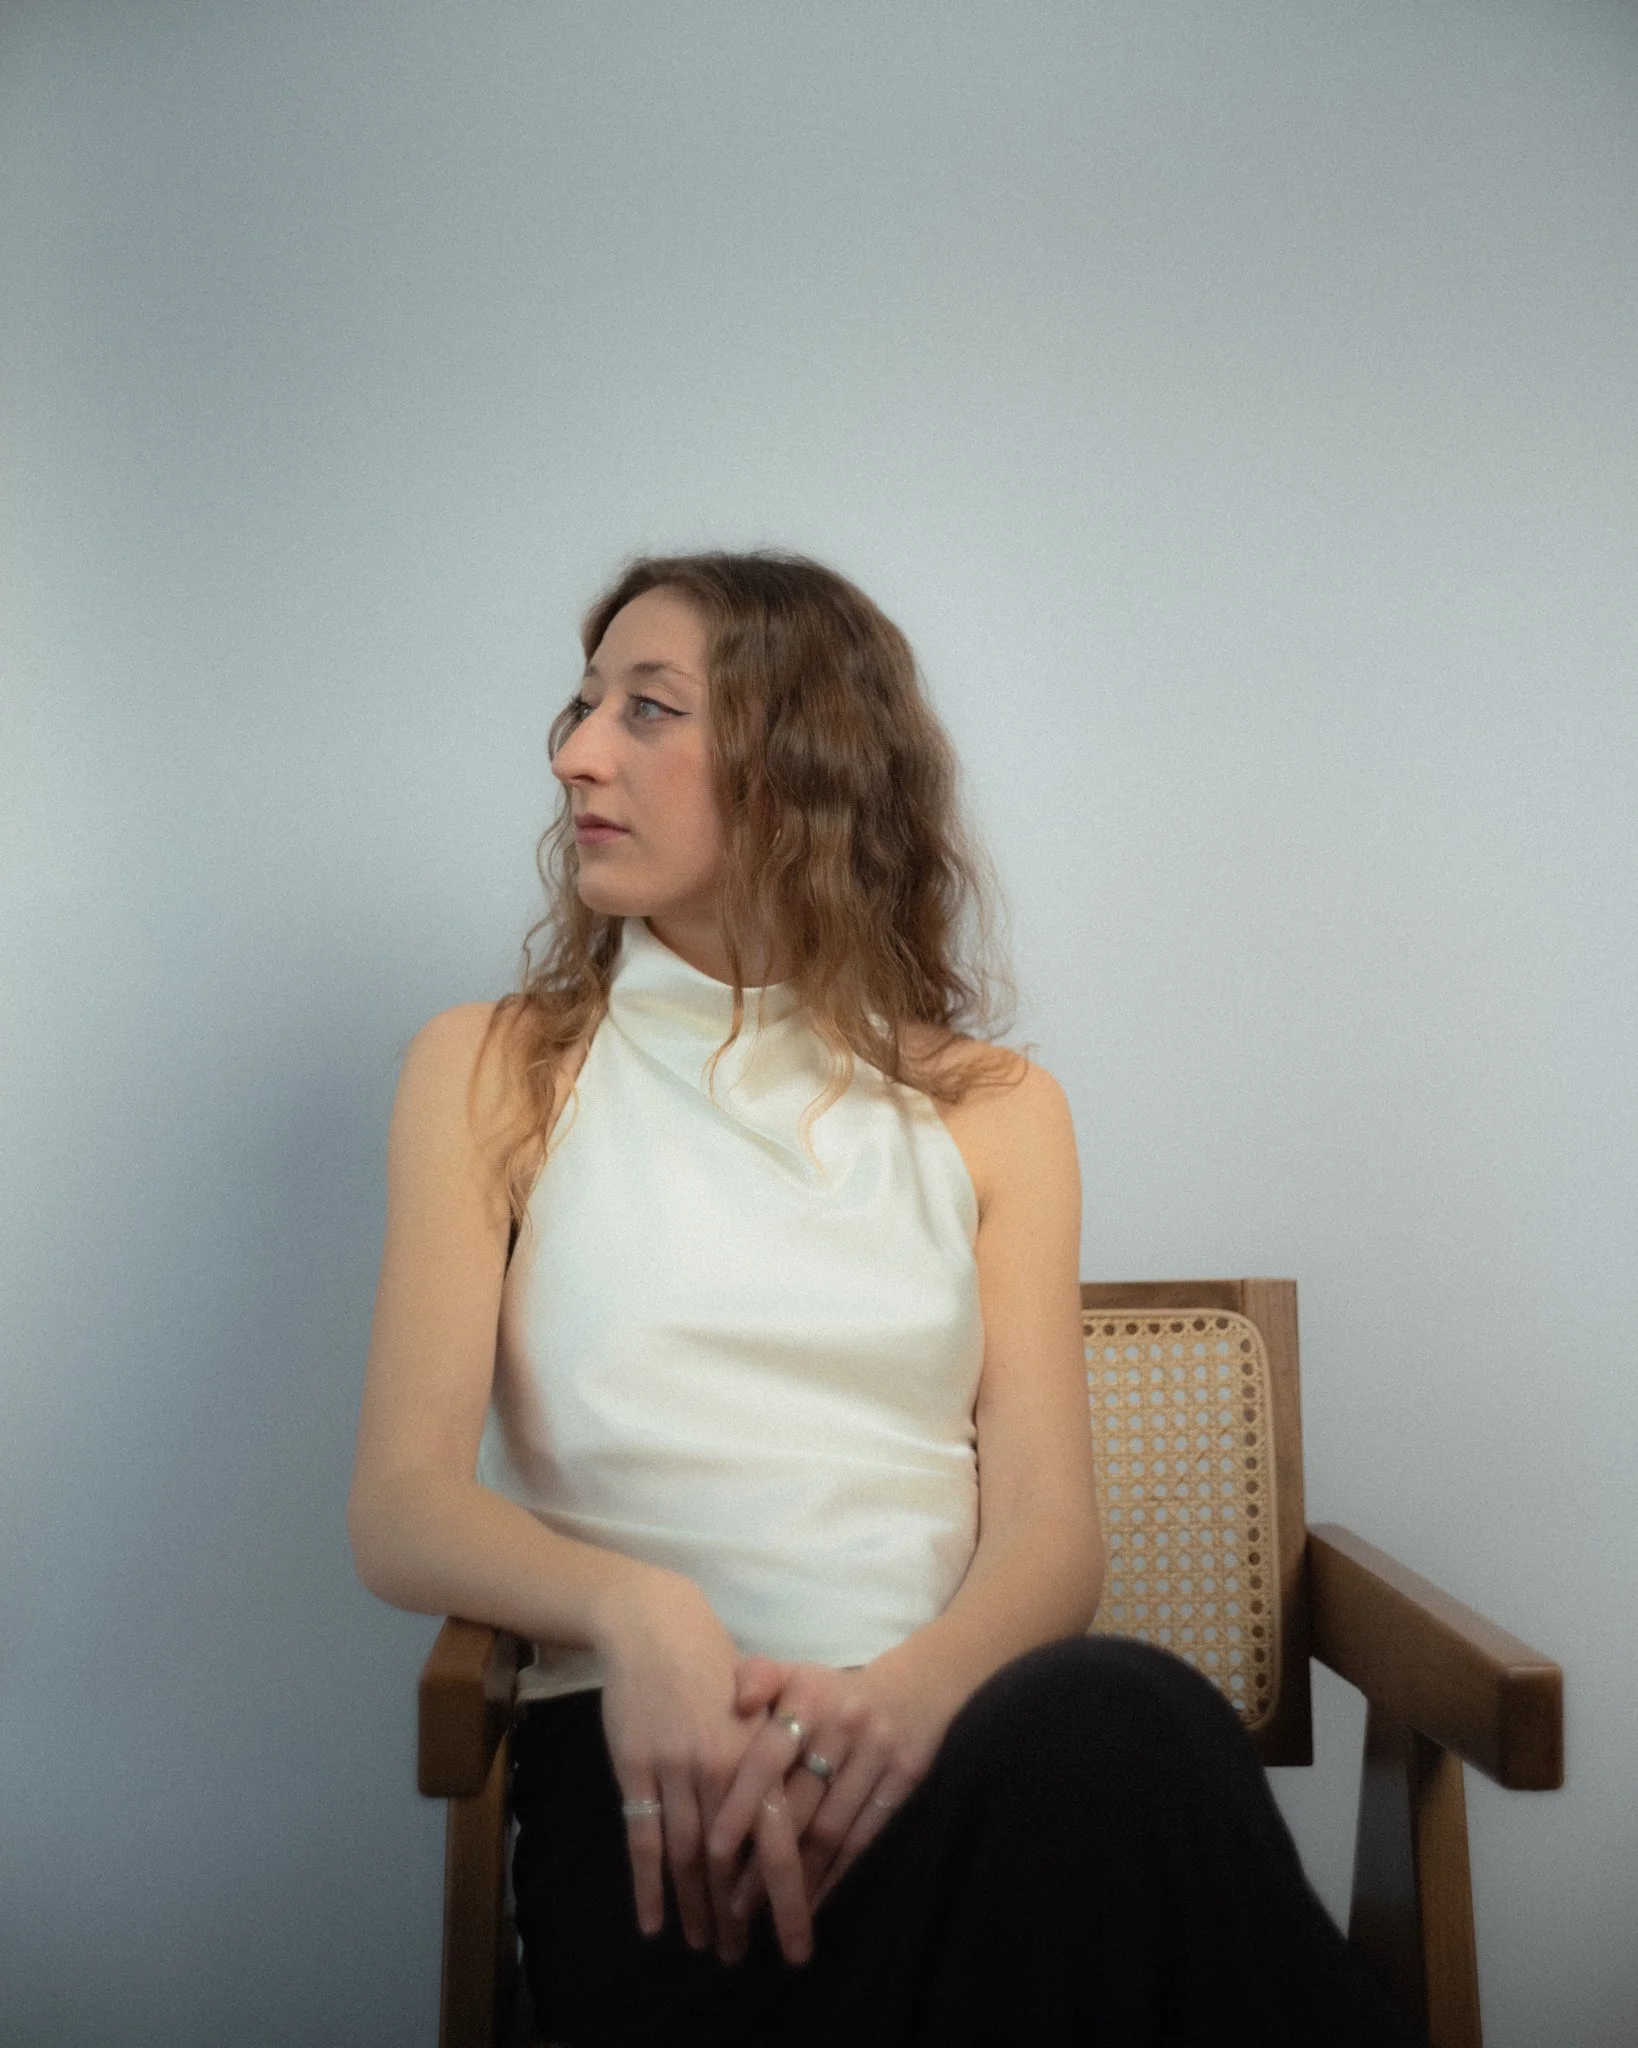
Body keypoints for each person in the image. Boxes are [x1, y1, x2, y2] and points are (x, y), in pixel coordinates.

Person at [348, 552, 1423, 2047]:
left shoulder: (998, 1110)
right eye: (583, 705)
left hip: (941, 1753)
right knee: (1125, 1794)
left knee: (1120, 1728)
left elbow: (1047, 1529)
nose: (575, 752)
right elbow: (401, 1504)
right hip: (667, 1803)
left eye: (647, 709)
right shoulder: (488, 1068)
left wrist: (906, 1707)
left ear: (802, 765)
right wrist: (638, 1611)